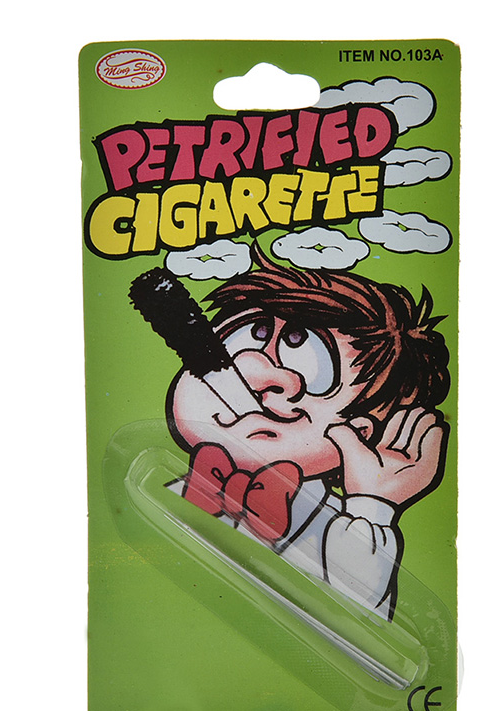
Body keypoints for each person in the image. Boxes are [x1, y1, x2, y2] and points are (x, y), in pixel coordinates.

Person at [165, 244, 450, 620]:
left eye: (313, 364)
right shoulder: (160, 490)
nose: (255, 374)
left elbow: (363, 625)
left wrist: (373, 503)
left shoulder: (339, 536)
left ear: (360, 432)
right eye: (250, 337)